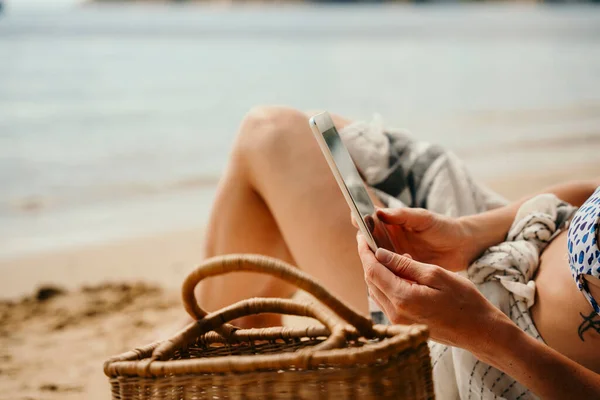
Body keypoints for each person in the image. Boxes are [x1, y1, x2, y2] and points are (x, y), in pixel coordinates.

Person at [196, 106, 600, 398]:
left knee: (268, 136)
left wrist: (485, 333)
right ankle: (235, 360)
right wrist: (466, 234)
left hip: (501, 346)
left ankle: (220, 365)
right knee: (328, 138)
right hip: (516, 233)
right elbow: (589, 193)